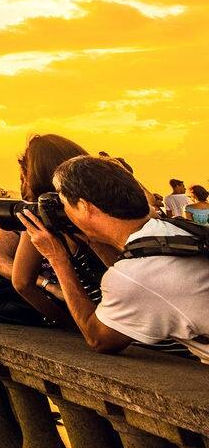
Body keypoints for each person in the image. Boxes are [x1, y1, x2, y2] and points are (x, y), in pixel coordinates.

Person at [21, 155, 209, 363]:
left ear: (84, 206)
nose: (63, 212)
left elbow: (99, 338)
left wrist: (57, 259)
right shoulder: (172, 230)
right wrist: (92, 237)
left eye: (64, 204)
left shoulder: (134, 274)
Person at [0, 132, 103, 329]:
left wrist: (69, 323)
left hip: (95, 321)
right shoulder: (99, 208)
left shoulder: (39, 217)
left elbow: (22, 283)